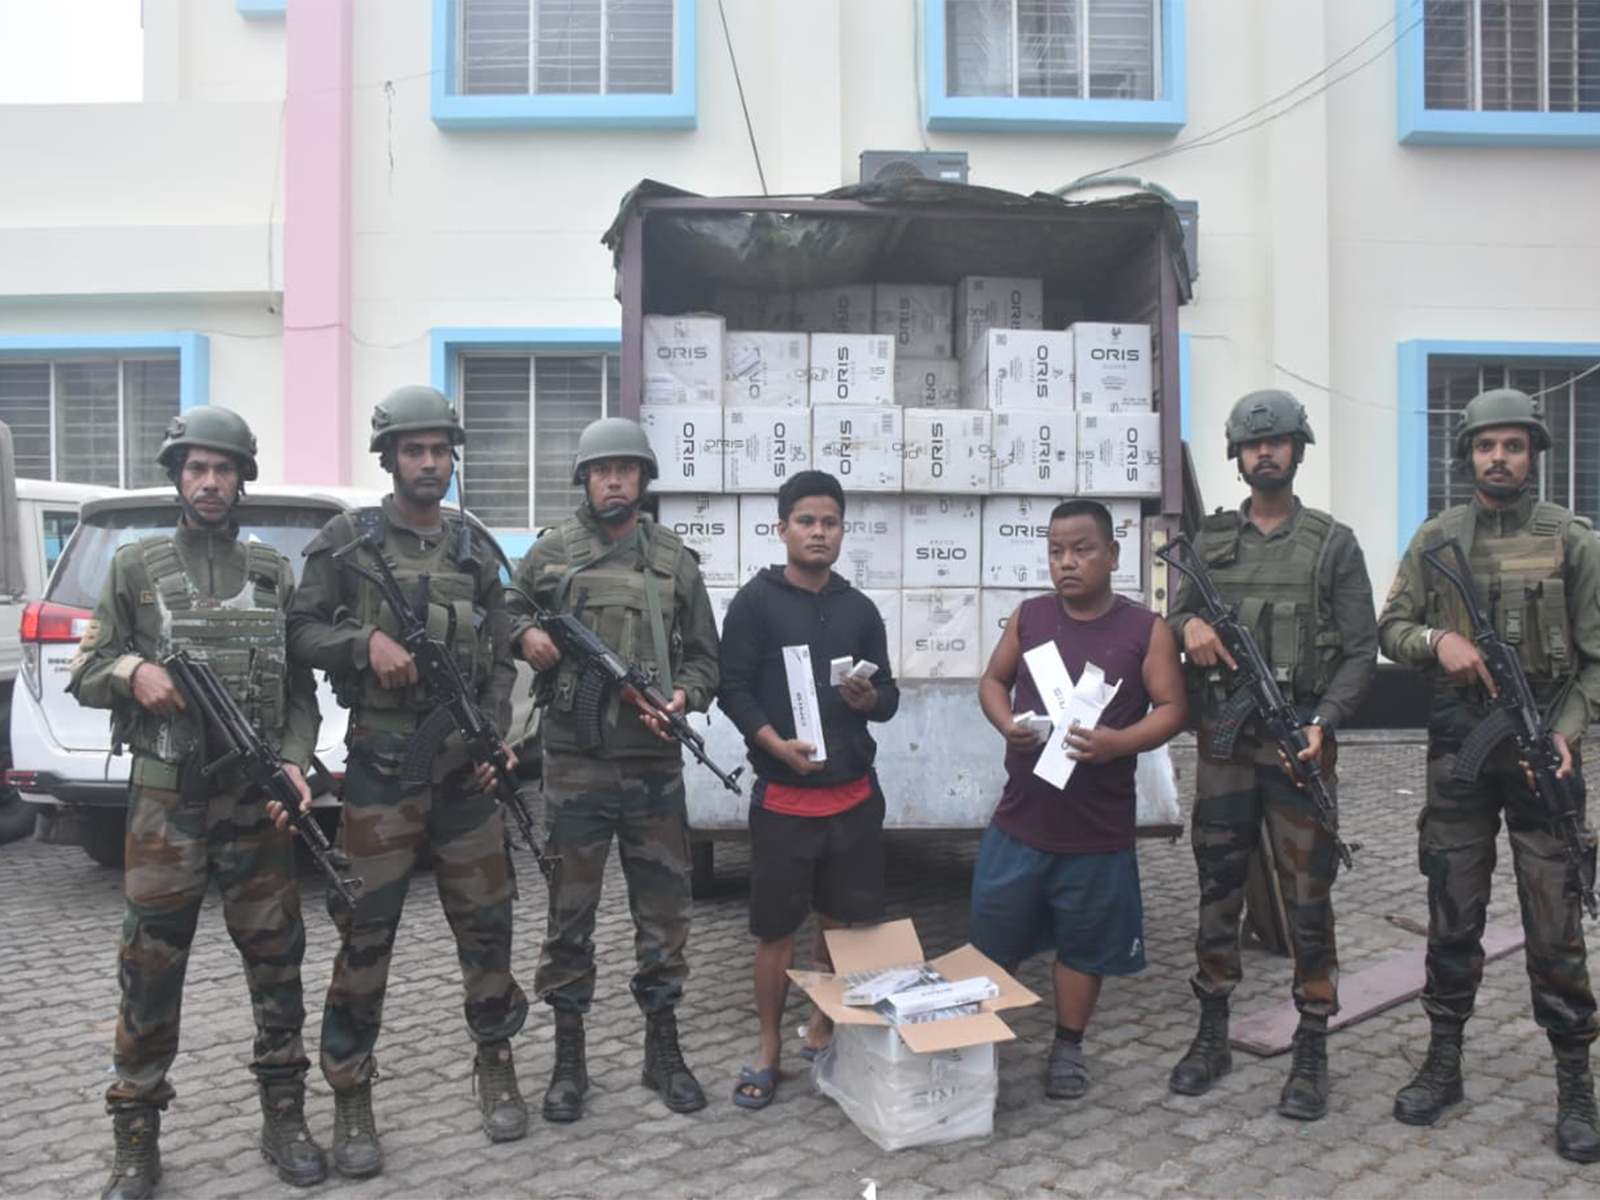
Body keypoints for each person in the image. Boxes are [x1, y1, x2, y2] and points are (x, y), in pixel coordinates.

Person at [69, 407, 326, 1198]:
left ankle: (284, 1116)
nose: (210, 482)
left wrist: (295, 764)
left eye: (223, 469)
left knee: (277, 961)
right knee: (149, 968)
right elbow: (87, 668)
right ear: (177, 477)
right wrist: (132, 674)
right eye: (196, 469)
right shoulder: (135, 566)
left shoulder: (273, 574)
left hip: (255, 806)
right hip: (166, 803)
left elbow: (299, 692)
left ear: (242, 478)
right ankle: (136, 1135)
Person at [287, 386, 528, 1177]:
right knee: (365, 934)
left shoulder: (473, 547)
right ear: (389, 457)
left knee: (488, 925)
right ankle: (350, 1094)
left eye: (439, 450)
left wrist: (493, 735)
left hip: (465, 776)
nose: (429, 463)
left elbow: (500, 657)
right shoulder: (346, 542)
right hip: (383, 774)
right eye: (414, 450)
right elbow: (299, 631)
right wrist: (364, 645)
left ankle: (496, 1060)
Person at [1379, 386, 1600, 1161]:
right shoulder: (1438, 537)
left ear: (1534, 453)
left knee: (1555, 923)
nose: (1498, 458)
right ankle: (1443, 1061)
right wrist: (1436, 640)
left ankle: (1575, 1082)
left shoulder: (1573, 540)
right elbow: (1392, 627)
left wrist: (1567, 731)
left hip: (1544, 753)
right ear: (1466, 455)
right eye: (1485, 446)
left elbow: (1597, 659)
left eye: (1512, 445)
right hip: (1459, 752)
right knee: (1453, 911)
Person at [1165, 389, 1377, 1121]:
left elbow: (1361, 651)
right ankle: (1211, 1033)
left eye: (1278, 441)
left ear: (1297, 449)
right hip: (1226, 746)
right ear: (1237, 455)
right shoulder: (1211, 542)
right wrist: (1189, 625)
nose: (1265, 453)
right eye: (1254, 444)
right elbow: (1174, 617)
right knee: (1217, 888)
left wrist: (1326, 722)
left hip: (1298, 746)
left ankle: (1311, 1044)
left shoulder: (1333, 543)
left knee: (1308, 899)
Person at [506, 416, 720, 1121]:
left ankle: (664, 1051)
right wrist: (526, 632)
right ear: (585, 480)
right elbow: (500, 610)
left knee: (664, 913)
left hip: (653, 765)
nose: (615, 481)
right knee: (569, 914)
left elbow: (705, 657)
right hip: (575, 766)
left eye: (627, 470)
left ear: (644, 479)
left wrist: (684, 696)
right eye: (603, 471)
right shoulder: (551, 553)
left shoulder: (674, 560)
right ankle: (569, 1059)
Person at [973, 498, 1185, 1101]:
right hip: (1021, 821)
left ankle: (1068, 1045)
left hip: (1097, 829)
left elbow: (1173, 708)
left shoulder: (1144, 630)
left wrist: (1120, 743)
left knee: (1084, 947)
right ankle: (976, 1043)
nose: (1066, 563)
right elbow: (992, 681)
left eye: (1082, 550)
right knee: (993, 940)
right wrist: (1006, 722)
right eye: (1056, 551)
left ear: (1113, 555)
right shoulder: (1031, 617)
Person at [717, 470, 900, 1110]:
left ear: (843, 531)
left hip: (853, 797)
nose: (818, 532)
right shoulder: (755, 603)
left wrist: (870, 699)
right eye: (806, 522)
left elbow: (890, 698)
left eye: (830, 522)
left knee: (841, 923)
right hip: (784, 799)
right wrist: (773, 744)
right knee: (775, 931)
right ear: (783, 529)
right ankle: (768, 1047)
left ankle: (823, 1025)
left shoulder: (860, 609)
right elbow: (732, 689)